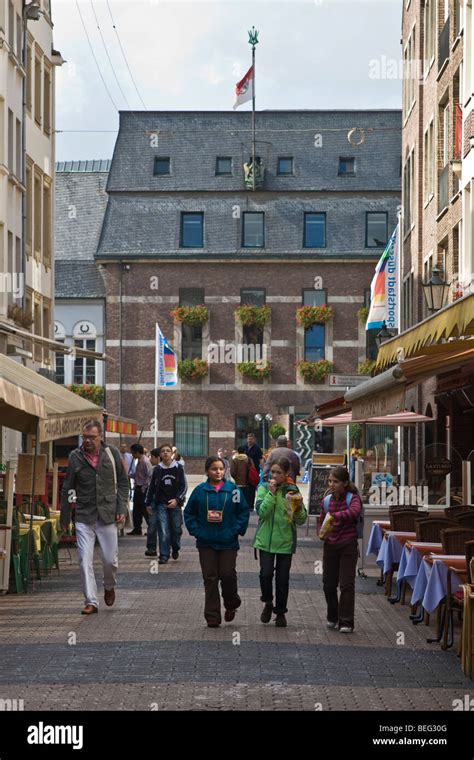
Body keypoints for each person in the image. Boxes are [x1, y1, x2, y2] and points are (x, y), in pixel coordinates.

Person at [60, 420, 129, 614]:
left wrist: (121, 507)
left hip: (108, 513)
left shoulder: (111, 453)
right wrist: (66, 515)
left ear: (100, 437)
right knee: (84, 560)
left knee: (110, 560)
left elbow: (124, 483)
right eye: (85, 437)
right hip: (84, 514)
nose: (87, 440)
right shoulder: (75, 457)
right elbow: (68, 486)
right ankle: (90, 601)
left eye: (92, 437)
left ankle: (108, 585)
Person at [184, 457, 250, 627]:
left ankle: (231, 603)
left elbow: (243, 512)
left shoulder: (233, 490)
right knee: (210, 578)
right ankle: (212, 616)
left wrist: (234, 531)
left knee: (227, 574)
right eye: (214, 469)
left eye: (221, 469)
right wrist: (197, 531)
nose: (218, 472)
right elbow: (189, 513)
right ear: (207, 471)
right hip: (206, 542)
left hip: (228, 541)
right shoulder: (200, 491)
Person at [253, 457, 307, 627]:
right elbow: (262, 512)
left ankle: (280, 612)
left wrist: (297, 507)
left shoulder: (292, 490)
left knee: (282, 579)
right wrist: (271, 493)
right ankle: (268, 602)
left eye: (279, 473)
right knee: (265, 574)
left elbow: (301, 519)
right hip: (266, 541)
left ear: (286, 474)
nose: (274, 476)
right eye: (272, 472)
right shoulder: (263, 488)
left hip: (285, 540)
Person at [318, 465, 362, 633]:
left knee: (346, 584)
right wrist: (321, 532)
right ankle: (332, 614)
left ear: (345, 483)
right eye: (330, 481)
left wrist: (336, 516)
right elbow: (321, 519)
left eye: (335, 481)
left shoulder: (353, 498)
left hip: (347, 545)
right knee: (328, 584)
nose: (331, 484)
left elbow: (355, 512)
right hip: (330, 545)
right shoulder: (327, 500)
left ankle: (346, 621)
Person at [145, 443, 187, 563]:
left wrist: (177, 500)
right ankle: (164, 555)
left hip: (175, 504)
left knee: (176, 529)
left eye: (168, 451)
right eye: (163, 451)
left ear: (172, 453)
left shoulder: (178, 468)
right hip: (161, 504)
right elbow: (151, 487)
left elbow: (183, 486)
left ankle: (175, 547)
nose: (165, 453)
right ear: (160, 455)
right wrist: (148, 503)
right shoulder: (157, 470)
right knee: (163, 529)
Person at [128, 443, 153, 536]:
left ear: (137, 452)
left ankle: (151, 528)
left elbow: (149, 476)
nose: (132, 455)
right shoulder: (138, 461)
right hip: (137, 488)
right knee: (136, 510)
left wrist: (144, 488)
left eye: (133, 453)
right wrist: (129, 475)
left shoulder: (146, 462)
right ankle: (137, 528)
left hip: (143, 489)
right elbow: (138, 475)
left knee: (145, 510)